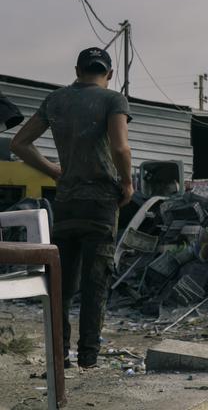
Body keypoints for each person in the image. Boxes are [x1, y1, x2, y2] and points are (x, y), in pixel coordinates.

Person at [11, 47, 133, 369]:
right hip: (101, 203)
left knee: (61, 284)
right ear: (109, 74)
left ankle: (59, 355)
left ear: (77, 70)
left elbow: (19, 143)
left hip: (66, 203)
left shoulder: (56, 100)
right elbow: (120, 147)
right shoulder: (113, 100)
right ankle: (88, 359)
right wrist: (128, 183)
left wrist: (53, 171)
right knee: (96, 283)